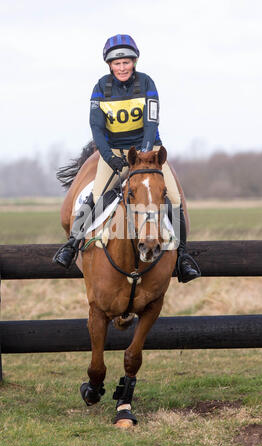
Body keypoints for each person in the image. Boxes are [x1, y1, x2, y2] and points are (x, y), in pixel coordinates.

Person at [53, 34, 200, 283]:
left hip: (148, 152)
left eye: (126, 62)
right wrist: (109, 157)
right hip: (115, 154)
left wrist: (143, 156)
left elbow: (151, 123)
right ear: (109, 65)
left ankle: (183, 257)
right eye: (117, 63)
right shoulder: (100, 88)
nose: (122, 67)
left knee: (174, 199)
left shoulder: (147, 83)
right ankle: (72, 244)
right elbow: (97, 128)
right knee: (97, 196)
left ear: (135, 62)